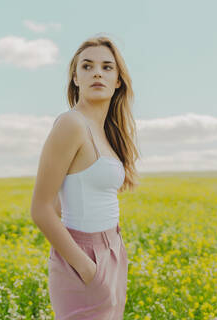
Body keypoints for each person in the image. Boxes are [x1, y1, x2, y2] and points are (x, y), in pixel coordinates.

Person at [30, 34, 140, 319]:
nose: (97, 74)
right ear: (75, 78)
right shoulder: (71, 124)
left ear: (118, 80)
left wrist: (110, 255)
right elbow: (41, 209)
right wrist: (86, 266)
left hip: (113, 249)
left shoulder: (106, 131)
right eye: (87, 67)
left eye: (107, 67)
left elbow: (61, 199)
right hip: (85, 259)